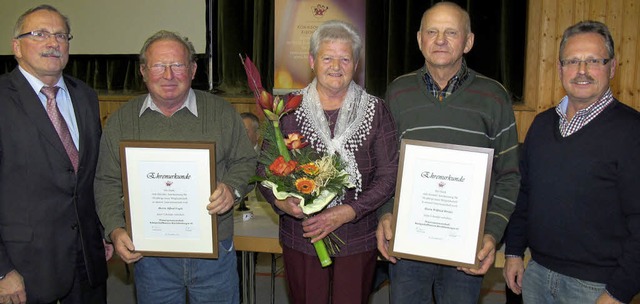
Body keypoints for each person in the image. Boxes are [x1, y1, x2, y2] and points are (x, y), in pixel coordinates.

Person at [94, 30, 257, 303]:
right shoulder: (121, 121)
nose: (168, 75)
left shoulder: (221, 112)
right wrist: (115, 229)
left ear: (193, 69)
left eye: (178, 65)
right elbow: (106, 182)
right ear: (143, 71)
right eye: (158, 65)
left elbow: (247, 162)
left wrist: (232, 189)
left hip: (215, 252)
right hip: (150, 257)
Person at [376, 2, 520, 303]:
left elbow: (508, 175)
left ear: (468, 41)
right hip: (407, 242)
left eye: (451, 32)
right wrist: (385, 213)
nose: (440, 40)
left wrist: (491, 234)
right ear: (419, 39)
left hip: (467, 245)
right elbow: (385, 167)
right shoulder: (397, 92)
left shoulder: (494, 96)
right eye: (432, 31)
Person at [258, 20, 399, 303]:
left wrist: (349, 211)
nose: (336, 66)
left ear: (355, 64)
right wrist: (281, 201)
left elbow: (389, 174)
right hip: (303, 236)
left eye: (345, 58)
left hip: (357, 237)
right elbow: (263, 168)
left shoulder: (376, 109)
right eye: (327, 58)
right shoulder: (286, 110)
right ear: (312, 61)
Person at [503, 21, 640, 304]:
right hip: (537, 274)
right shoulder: (541, 125)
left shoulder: (633, 132)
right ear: (559, 68)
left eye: (593, 61)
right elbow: (524, 194)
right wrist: (514, 252)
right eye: (573, 61)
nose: (582, 71)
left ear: (612, 67)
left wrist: (618, 292)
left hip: (597, 287)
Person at [0, 5, 112, 304]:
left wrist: (102, 231)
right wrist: (1, 271)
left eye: (61, 35)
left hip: (87, 261)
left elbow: (92, 175)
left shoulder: (85, 95)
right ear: (16, 47)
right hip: (24, 269)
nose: (53, 43)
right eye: (40, 34)